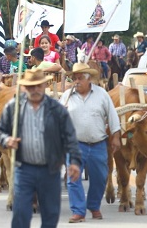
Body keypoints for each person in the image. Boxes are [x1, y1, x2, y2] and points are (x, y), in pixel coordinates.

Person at [0, 68, 82, 228]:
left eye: (38, 86)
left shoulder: (56, 109)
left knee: (50, 215)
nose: (35, 90)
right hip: (24, 169)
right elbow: (0, 130)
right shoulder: (14, 107)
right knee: (21, 213)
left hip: (50, 170)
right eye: (30, 86)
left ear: (44, 86)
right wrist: (7, 140)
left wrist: (75, 162)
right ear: (24, 87)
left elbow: (70, 136)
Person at [59, 63, 121, 223]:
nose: (76, 81)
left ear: (89, 79)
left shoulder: (102, 95)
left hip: (98, 144)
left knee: (100, 177)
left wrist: (116, 136)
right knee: (73, 177)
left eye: (80, 78)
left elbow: (113, 117)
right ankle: (78, 211)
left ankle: (93, 205)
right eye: (74, 78)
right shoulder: (66, 96)